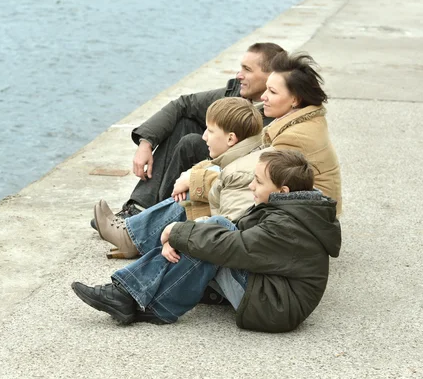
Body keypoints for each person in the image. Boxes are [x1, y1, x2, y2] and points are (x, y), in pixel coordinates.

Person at [71, 150, 341, 332]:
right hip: (268, 288)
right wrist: (184, 234)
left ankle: (130, 295)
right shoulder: (294, 209)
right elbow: (235, 239)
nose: (251, 187)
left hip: (274, 307)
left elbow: (234, 247)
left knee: (214, 233)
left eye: (258, 182)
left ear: (283, 191)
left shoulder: (289, 225)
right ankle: (133, 297)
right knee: (209, 231)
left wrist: (175, 232)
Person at [90, 42, 285, 230]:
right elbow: (183, 104)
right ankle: (140, 209)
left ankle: (149, 223)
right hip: (220, 162)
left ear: (271, 76)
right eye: (240, 68)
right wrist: (146, 142)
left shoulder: (280, 109)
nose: (239, 75)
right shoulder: (234, 93)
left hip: (241, 176)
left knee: (191, 142)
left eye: (247, 70)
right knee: (184, 123)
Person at [92, 97, 268, 259]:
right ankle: (137, 230)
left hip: (233, 256)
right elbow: (184, 103)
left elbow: (229, 230)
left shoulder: (240, 171)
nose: (204, 136)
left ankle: (133, 237)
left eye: (210, 131)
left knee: (193, 193)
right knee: (190, 158)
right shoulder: (250, 152)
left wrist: (179, 235)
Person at [260, 51, 342, 214]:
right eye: (266, 89)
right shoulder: (309, 118)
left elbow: (260, 180)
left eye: (272, 92)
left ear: (295, 99)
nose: (263, 96)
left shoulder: (292, 137)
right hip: (316, 211)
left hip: (307, 217)